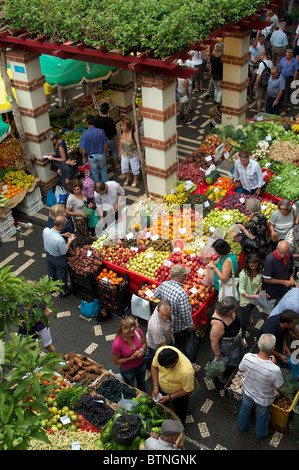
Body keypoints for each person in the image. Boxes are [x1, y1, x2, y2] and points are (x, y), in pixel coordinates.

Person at [237, 333, 283, 440]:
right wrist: (274, 364)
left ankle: (242, 426)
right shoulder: (275, 369)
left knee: (245, 408)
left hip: (248, 391)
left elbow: (241, 369)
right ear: (273, 349)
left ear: (258, 344)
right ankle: (261, 434)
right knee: (263, 416)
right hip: (264, 398)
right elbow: (279, 386)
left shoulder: (247, 357)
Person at [154, 264, 194, 353]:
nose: (186, 276)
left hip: (165, 323)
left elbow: (156, 294)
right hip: (177, 326)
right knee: (179, 346)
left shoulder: (164, 284)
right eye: (185, 275)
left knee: (168, 341)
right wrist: (190, 326)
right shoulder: (181, 294)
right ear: (180, 277)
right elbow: (185, 314)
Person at [151, 345, 195, 425]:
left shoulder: (186, 372)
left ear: (175, 361)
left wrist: (170, 397)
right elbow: (154, 367)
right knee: (162, 407)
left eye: (167, 367)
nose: (164, 368)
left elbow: (188, 390)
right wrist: (155, 387)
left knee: (180, 412)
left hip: (179, 395)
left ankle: (180, 427)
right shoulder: (161, 352)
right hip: (162, 389)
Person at [209, 296, 244, 383]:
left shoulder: (230, 313)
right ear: (230, 309)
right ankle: (220, 377)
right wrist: (217, 356)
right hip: (225, 348)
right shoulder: (218, 323)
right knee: (222, 365)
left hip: (234, 344)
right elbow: (214, 341)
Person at [42, 215, 75, 298]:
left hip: (49, 256)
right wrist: (69, 242)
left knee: (51, 273)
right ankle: (64, 292)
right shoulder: (60, 240)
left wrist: (62, 234)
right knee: (61, 276)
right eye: (64, 226)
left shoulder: (46, 230)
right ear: (61, 226)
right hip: (59, 259)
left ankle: (52, 288)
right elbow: (63, 251)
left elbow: (53, 235)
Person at [111, 316, 147, 392]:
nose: (131, 335)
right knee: (130, 387)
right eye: (128, 333)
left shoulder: (137, 331)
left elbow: (144, 343)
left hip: (141, 365)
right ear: (122, 328)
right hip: (128, 370)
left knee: (142, 383)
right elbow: (116, 361)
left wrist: (141, 351)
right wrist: (131, 358)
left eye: (132, 332)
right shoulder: (117, 344)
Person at [262, 240, 296, 318]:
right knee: (268, 310)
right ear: (276, 248)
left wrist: (291, 278)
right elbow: (266, 279)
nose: (282, 256)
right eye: (280, 253)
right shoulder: (270, 260)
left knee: (283, 307)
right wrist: (284, 282)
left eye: (285, 253)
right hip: (271, 291)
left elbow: (291, 269)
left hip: (283, 289)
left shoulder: (289, 255)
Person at [238, 253, 263, 347]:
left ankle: (249, 316)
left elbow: (260, 281)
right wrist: (248, 296)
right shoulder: (243, 274)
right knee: (243, 320)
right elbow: (241, 289)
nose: (253, 267)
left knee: (251, 309)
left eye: (255, 266)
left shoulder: (259, 270)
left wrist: (260, 290)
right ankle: (242, 336)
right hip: (246, 299)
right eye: (252, 265)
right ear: (247, 264)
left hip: (255, 297)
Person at [79, 114, 109, 183]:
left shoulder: (84, 134)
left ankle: (97, 185)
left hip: (91, 156)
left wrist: (83, 156)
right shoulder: (101, 131)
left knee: (94, 171)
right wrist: (106, 151)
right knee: (103, 168)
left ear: (87, 122)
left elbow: (83, 148)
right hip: (101, 154)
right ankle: (105, 184)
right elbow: (105, 144)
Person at [145, 299, 174, 365]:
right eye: (162, 315)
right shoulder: (156, 327)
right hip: (155, 347)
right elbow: (162, 345)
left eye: (167, 315)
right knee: (155, 359)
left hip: (167, 337)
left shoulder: (164, 308)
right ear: (157, 310)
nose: (164, 318)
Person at [66, 178, 93, 247]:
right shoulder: (71, 198)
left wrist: (89, 204)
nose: (76, 191)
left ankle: (84, 245)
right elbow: (68, 212)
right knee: (83, 235)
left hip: (86, 216)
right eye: (74, 190)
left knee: (85, 233)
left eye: (78, 189)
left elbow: (84, 202)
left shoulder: (82, 193)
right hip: (79, 219)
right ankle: (83, 247)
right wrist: (80, 214)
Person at [95, 102, 120, 170]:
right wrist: (117, 141)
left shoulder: (97, 119)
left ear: (100, 110)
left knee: (103, 153)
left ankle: (103, 166)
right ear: (108, 110)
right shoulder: (110, 120)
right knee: (115, 151)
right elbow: (114, 132)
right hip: (110, 139)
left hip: (101, 140)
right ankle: (116, 164)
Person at [119, 118, 140, 187]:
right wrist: (120, 151)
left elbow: (138, 144)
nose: (121, 127)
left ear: (127, 126)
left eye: (123, 126)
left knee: (135, 167)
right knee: (124, 167)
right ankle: (128, 178)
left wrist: (140, 154)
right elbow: (120, 142)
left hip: (133, 153)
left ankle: (135, 180)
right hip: (124, 153)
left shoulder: (134, 134)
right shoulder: (121, 132)